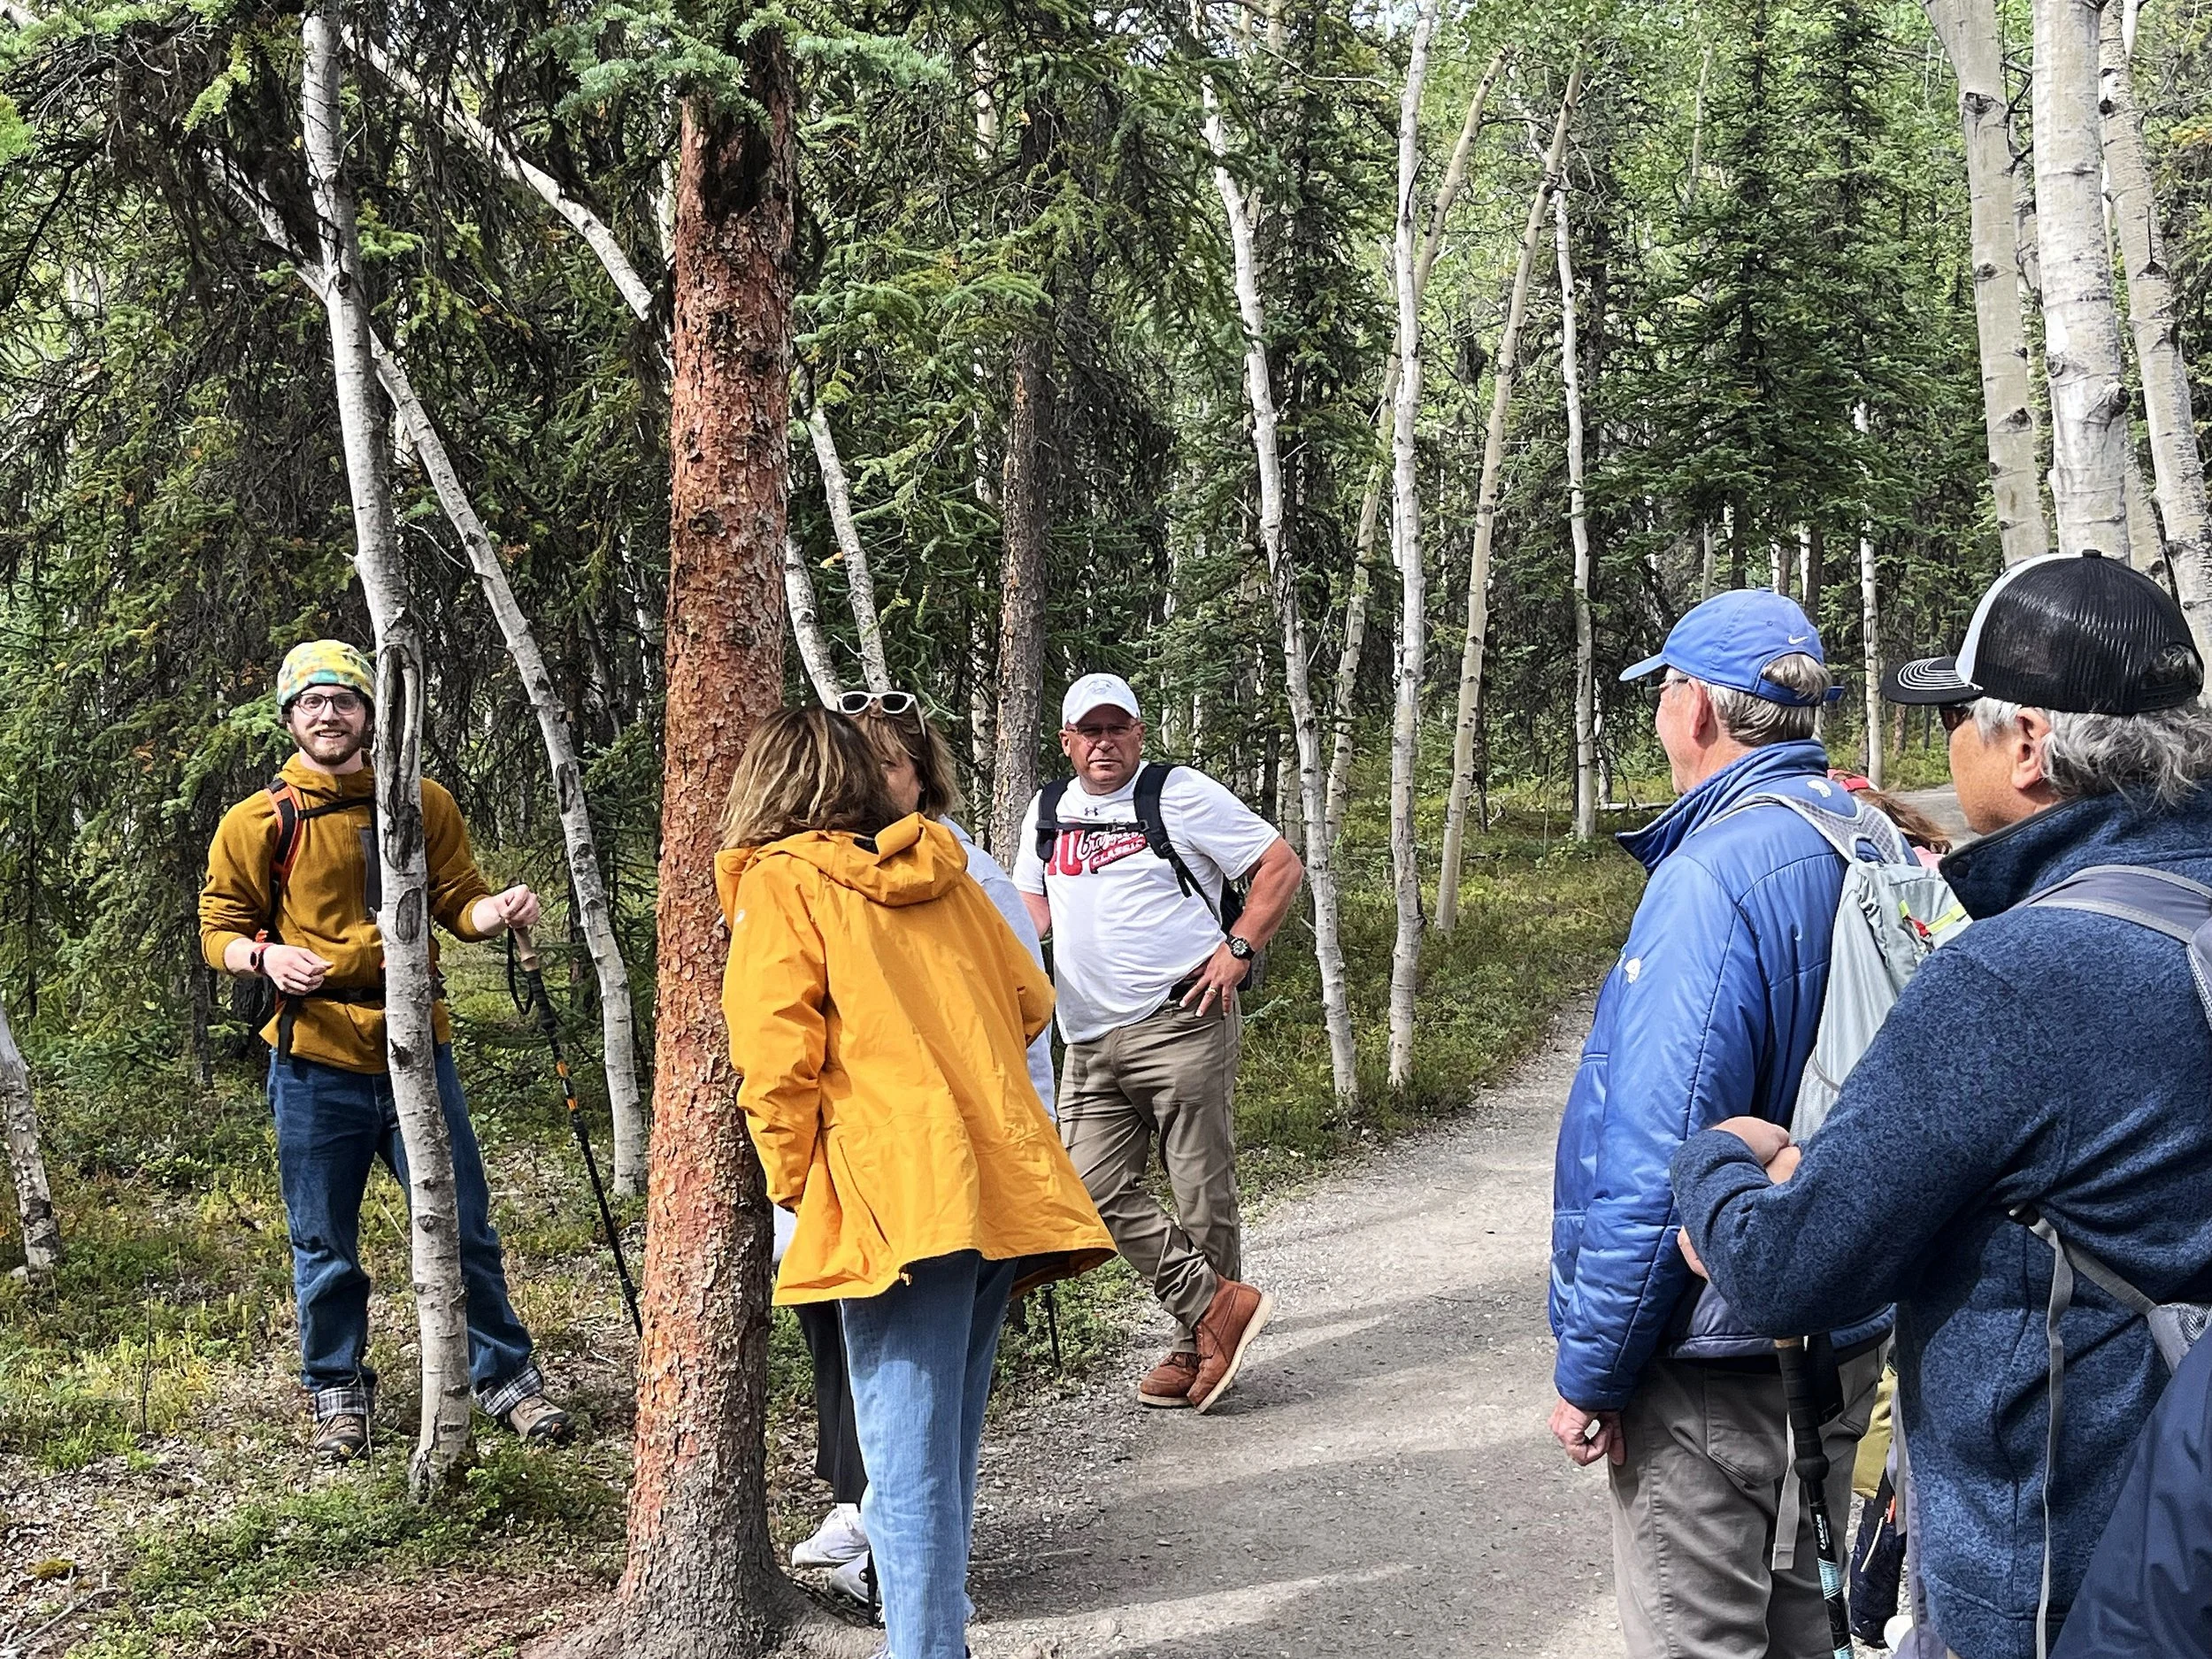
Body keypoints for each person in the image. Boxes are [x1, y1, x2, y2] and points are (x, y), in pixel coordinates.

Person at [1670, 552, 2212, 1659]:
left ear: (2026, 743)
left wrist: (1720, 1162)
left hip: (2048, 1580)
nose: (1947, 745)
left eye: (1956, 715)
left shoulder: (2020, 977)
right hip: (2182, 1543)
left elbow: (1789, 1269)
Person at [717, 705, 1112, 1659]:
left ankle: (929, 1648)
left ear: (769, 787)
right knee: (943, 1452)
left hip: (891, 1193)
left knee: (903, 1464)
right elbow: (1030, 998)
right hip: (992, 1185)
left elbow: (774, 1057)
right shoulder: (948, 868)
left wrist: (796, 1184)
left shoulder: (783, 882)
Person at [1548, 589, 1890, 1658]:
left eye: (1662, 692)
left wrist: (1594, 1369)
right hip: (1841, 1327)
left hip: (1713, 1356)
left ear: (1693, 707)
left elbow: (1664, 1155)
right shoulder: (1869, 834)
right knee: (1807, 1623)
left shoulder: (1712, 875)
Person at [198, 640, 569, 1463]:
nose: (328, 714)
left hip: (418, 1051)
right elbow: (218, 928)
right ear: (289, 718)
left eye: (345, 700)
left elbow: (458, 900)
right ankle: (338, 1390)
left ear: (370, 713)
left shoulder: (419, 801)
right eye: (312, 702)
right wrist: (264, 957)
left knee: (464, 1225)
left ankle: (506, 1379)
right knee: (323, 1240)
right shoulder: (258, 820)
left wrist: (497, 911)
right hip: (313, 1056)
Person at [786, 690, 1060, 1601]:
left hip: (921, 1178)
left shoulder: (963, 872)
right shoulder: (818, 869)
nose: (870, 779)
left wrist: (1030, 1148)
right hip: (875, 1176)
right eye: (855, 762)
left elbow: (1024, 1023)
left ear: (921, 777)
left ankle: (907, 1593)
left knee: (918, 1417)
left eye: (889, 762)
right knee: (869, 1381)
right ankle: (875, 1541)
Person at [1013, 672, 1302, 1412]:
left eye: (1118, 728)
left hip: (1182, 1018)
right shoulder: (1047, 809)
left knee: (1201, 1189)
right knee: (1086, 1186)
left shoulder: (1179, 793)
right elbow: (1031, 899)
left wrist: (1238, 949)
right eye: (1090, 730)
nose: (1104, 743)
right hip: (1087, 1035)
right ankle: (1213, 1307)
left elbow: (1278, 864)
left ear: (1139, 734)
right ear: (1067, 740)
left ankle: (1194, 1342)